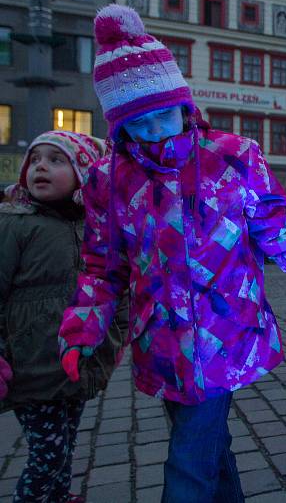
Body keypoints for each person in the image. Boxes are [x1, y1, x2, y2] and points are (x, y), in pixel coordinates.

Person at [58, 5, 286, 503]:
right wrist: (84, 325)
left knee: (188, 467)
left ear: (183, 103)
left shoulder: (231, 157)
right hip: (164, 341)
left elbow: (281, 233)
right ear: (119, 125)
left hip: (226, 331)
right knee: (211, 452)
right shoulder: (109, 181)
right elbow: (103, 265)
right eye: (139, 123)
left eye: (164, 115)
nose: (156, 131)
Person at [0, 131, 127, 503]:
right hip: (31, 369)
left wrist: (114, 340)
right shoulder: (13, 225)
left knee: (66, 443)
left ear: (84, 173)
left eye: (56, 160)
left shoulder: (99, 228)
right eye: (35, 159)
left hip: (80, 366)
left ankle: (57, 497)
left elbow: (119, 290)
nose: (40, 166)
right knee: (48, 454)